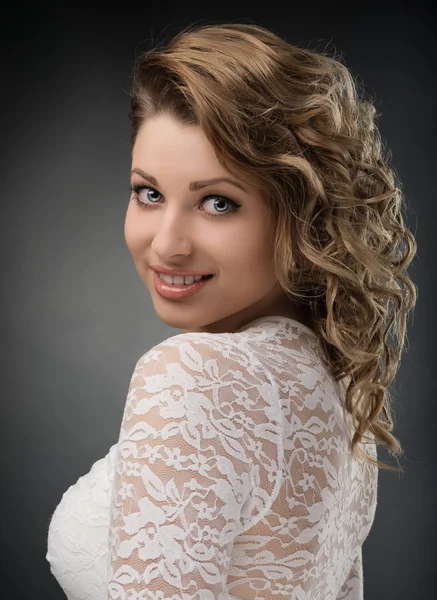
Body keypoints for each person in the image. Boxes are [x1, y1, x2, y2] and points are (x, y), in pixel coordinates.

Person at [45, 22, 417, 600]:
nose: (167, 243)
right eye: (148, 193)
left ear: (301, 217)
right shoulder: (346, 395)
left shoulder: (193, 376)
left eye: (218, 202)